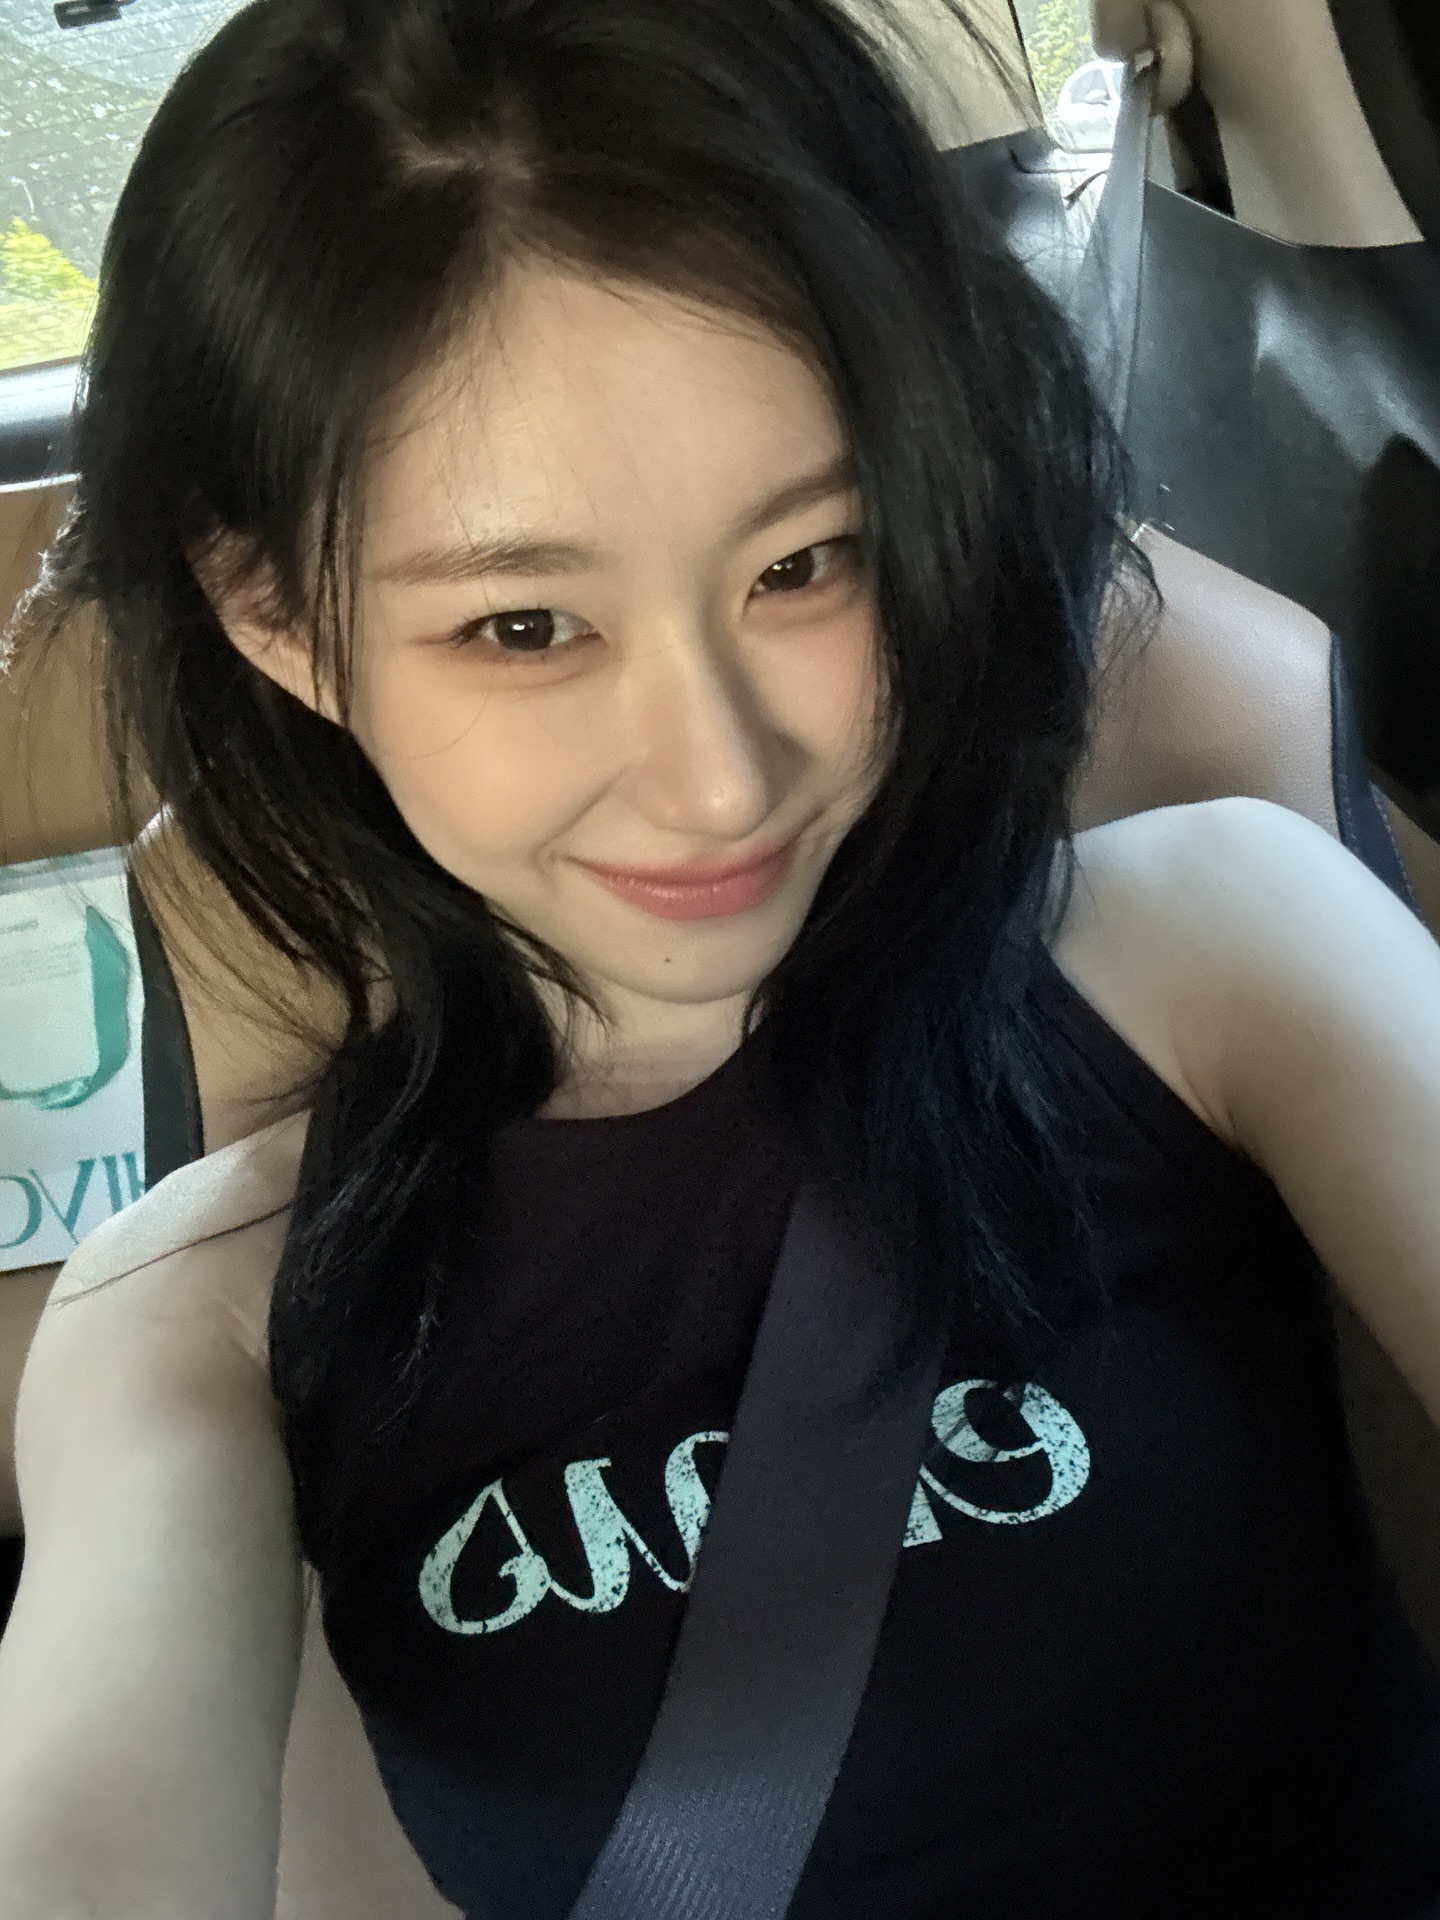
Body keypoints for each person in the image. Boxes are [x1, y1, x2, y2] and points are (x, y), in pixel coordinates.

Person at [3, 1, 1440, 1916]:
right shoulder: (187, 1324)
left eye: (805, 562)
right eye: (525, 627)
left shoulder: (1216, 952)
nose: (722, 780)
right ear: (277, 615)